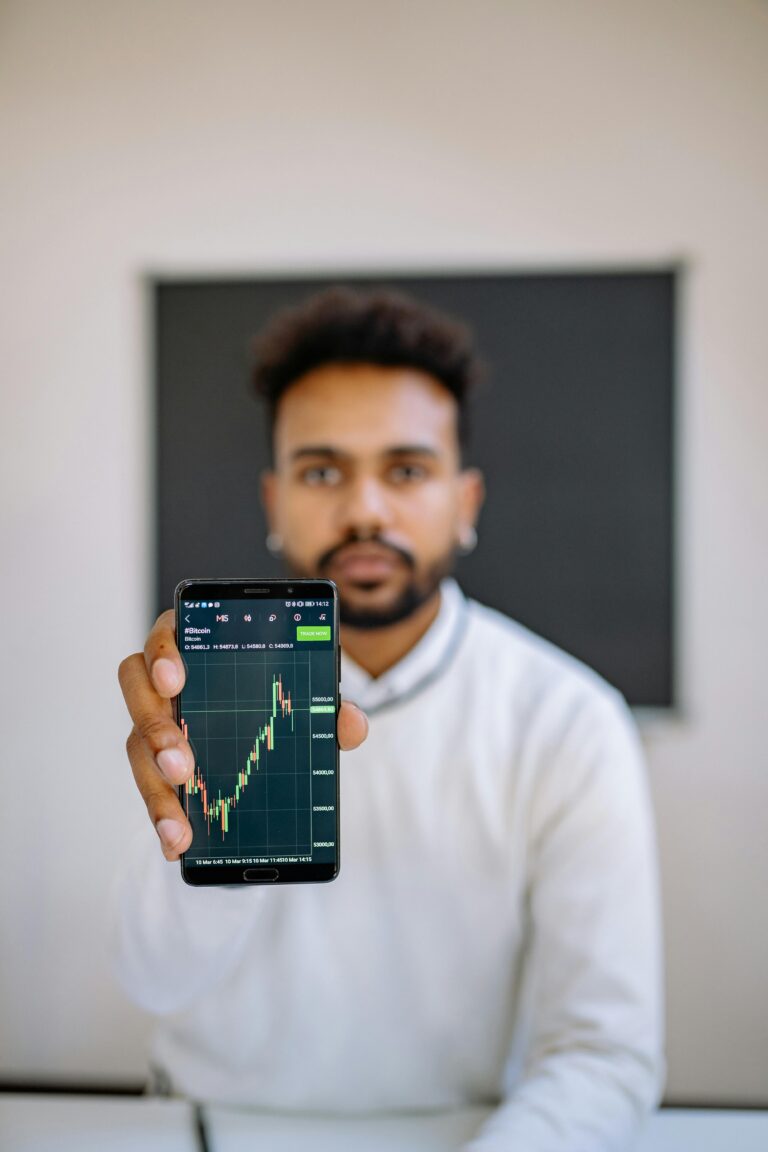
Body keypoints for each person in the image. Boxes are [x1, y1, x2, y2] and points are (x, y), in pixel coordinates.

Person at [115, 287, 664, 1150]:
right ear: (272, 501)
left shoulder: (568, 721)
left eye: (406, 470)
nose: (366, 509)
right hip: (211, 1127)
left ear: (466, 501)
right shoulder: (188, 694)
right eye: (322, 471)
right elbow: (151, 979)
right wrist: (207, 826)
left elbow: (606, 1052)